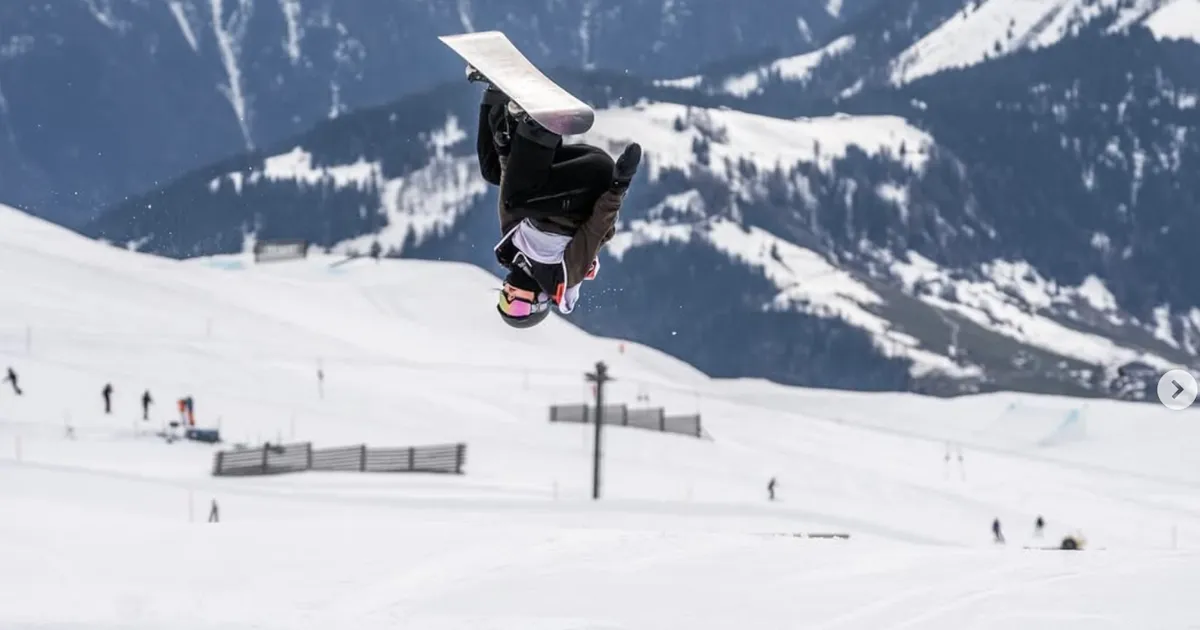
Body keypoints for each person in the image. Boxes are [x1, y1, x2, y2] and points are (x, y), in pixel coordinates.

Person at [470, 65, 642, 328]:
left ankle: (495, 91)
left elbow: (509, 194)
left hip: (566, 176)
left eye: (503, 300)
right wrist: (619, 185)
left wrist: (505, 147)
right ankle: (541, 123)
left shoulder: (513, 251)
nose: (508, 294)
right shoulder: (562, 276)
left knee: (491, 171)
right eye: (515, 304)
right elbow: (597, 228)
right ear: (538, 301)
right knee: (518, 198)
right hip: (591, 182)